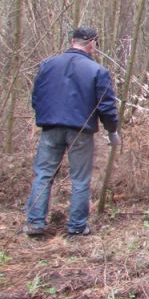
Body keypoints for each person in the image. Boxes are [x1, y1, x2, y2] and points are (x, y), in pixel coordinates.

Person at [23, 27, 120, 237]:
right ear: (92, 43)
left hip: (51, 127)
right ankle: (76, 226)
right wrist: (112, 130)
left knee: (44, 174)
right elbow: (106, 105)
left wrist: (45, 117)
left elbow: (36, 97)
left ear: (73, 41)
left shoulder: (48, 65)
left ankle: (35, 223)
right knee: (80, 179)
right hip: (80, 131)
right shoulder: (97, 71)